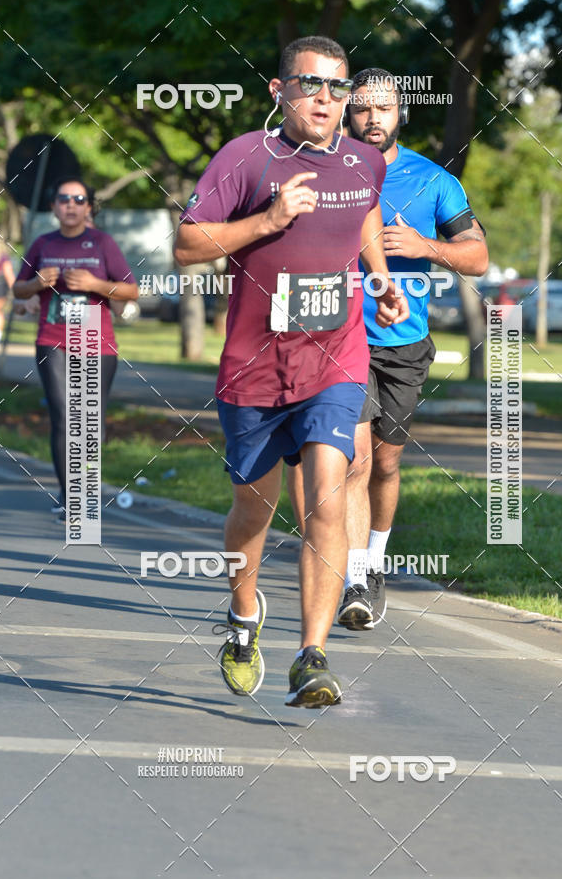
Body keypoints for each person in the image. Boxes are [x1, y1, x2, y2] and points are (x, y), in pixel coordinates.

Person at [174, 36, 409, 708]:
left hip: (335, 356)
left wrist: (381, 277)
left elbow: (363, 208)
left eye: (339, 89)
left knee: (329, 495)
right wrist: (269, 219)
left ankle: (313, 655)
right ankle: (245, 615)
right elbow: (187, 244)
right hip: (253, 364)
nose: (327, 100)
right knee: (254, 504)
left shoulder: (365, 161)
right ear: (280, 91)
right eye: (312, 85)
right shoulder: (245, 157)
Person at [335, 68, 489, 628]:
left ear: (402, 113)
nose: (372, 118)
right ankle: (354, 578)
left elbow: (478, 256)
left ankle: (375, 560)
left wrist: (428, 246)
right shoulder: (328, 172)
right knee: (353, 457)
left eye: (383, 108)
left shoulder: (434, 180)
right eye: (361, 109)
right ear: (347, 115)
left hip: (403, 342)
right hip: (339, 335)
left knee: (386, 459)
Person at [13, 177, 139, 517]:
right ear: (54, 207)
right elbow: (18, 290)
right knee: (64, 415)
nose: (70, 204)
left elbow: (131, 291)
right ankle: (70, 496)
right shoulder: (42, 243)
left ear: (88, 207)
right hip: (53, 340)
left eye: (78, 199)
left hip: (97, 340)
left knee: (89, 421)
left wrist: (95, 284)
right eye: (63, 198)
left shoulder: (102, 243)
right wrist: (36, 283)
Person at [0, 236, 15, 347]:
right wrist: (14, 288)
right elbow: (8, 274)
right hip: (0, 285)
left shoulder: (3, 257)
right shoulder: (3, 257)